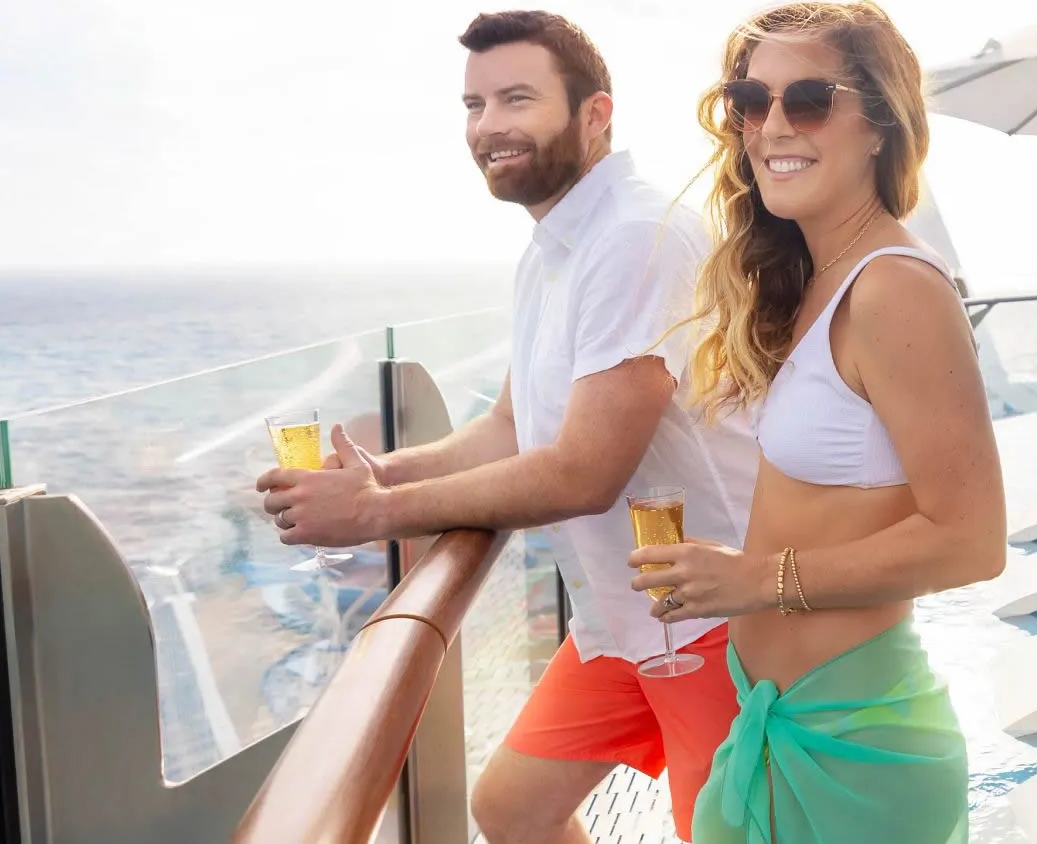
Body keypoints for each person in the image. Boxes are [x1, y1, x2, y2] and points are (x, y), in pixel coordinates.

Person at [254, 11, 759, 843]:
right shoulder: (554, 248)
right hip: (627, 615)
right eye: (474, 105)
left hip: (708, 616)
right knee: (513, 810)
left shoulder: (634, 236)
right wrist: (380, 475)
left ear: (596, 113)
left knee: (724, 834)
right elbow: (509, 428)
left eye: (516, 99)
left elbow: (582, 471)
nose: (488, 127)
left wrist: (375, 516)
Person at [626, 3, 1006, 842]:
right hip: (776, 722)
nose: (770, 126)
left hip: (856, 751)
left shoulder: (896, 289)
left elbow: (973, 540)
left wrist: (754, 582)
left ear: (879, 123)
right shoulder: (818, 284)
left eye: (807, 98)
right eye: (749, 101)